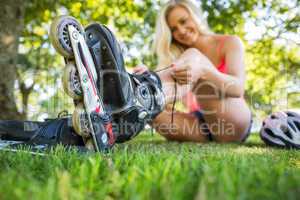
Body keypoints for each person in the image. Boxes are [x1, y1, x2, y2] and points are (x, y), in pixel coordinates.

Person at [133, 0, 252, 143]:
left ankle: (147, 93)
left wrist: (203, 71)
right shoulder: (179, 57)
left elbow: (238, 88)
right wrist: (146, 75)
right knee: (148, 112)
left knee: (194, 55)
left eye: (183, 21)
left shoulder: (230, 42)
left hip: (233, 119)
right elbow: (174, 97)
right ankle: (135, 97)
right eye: (174, 29)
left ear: (195, 15)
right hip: (202, 125)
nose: (181, 31)